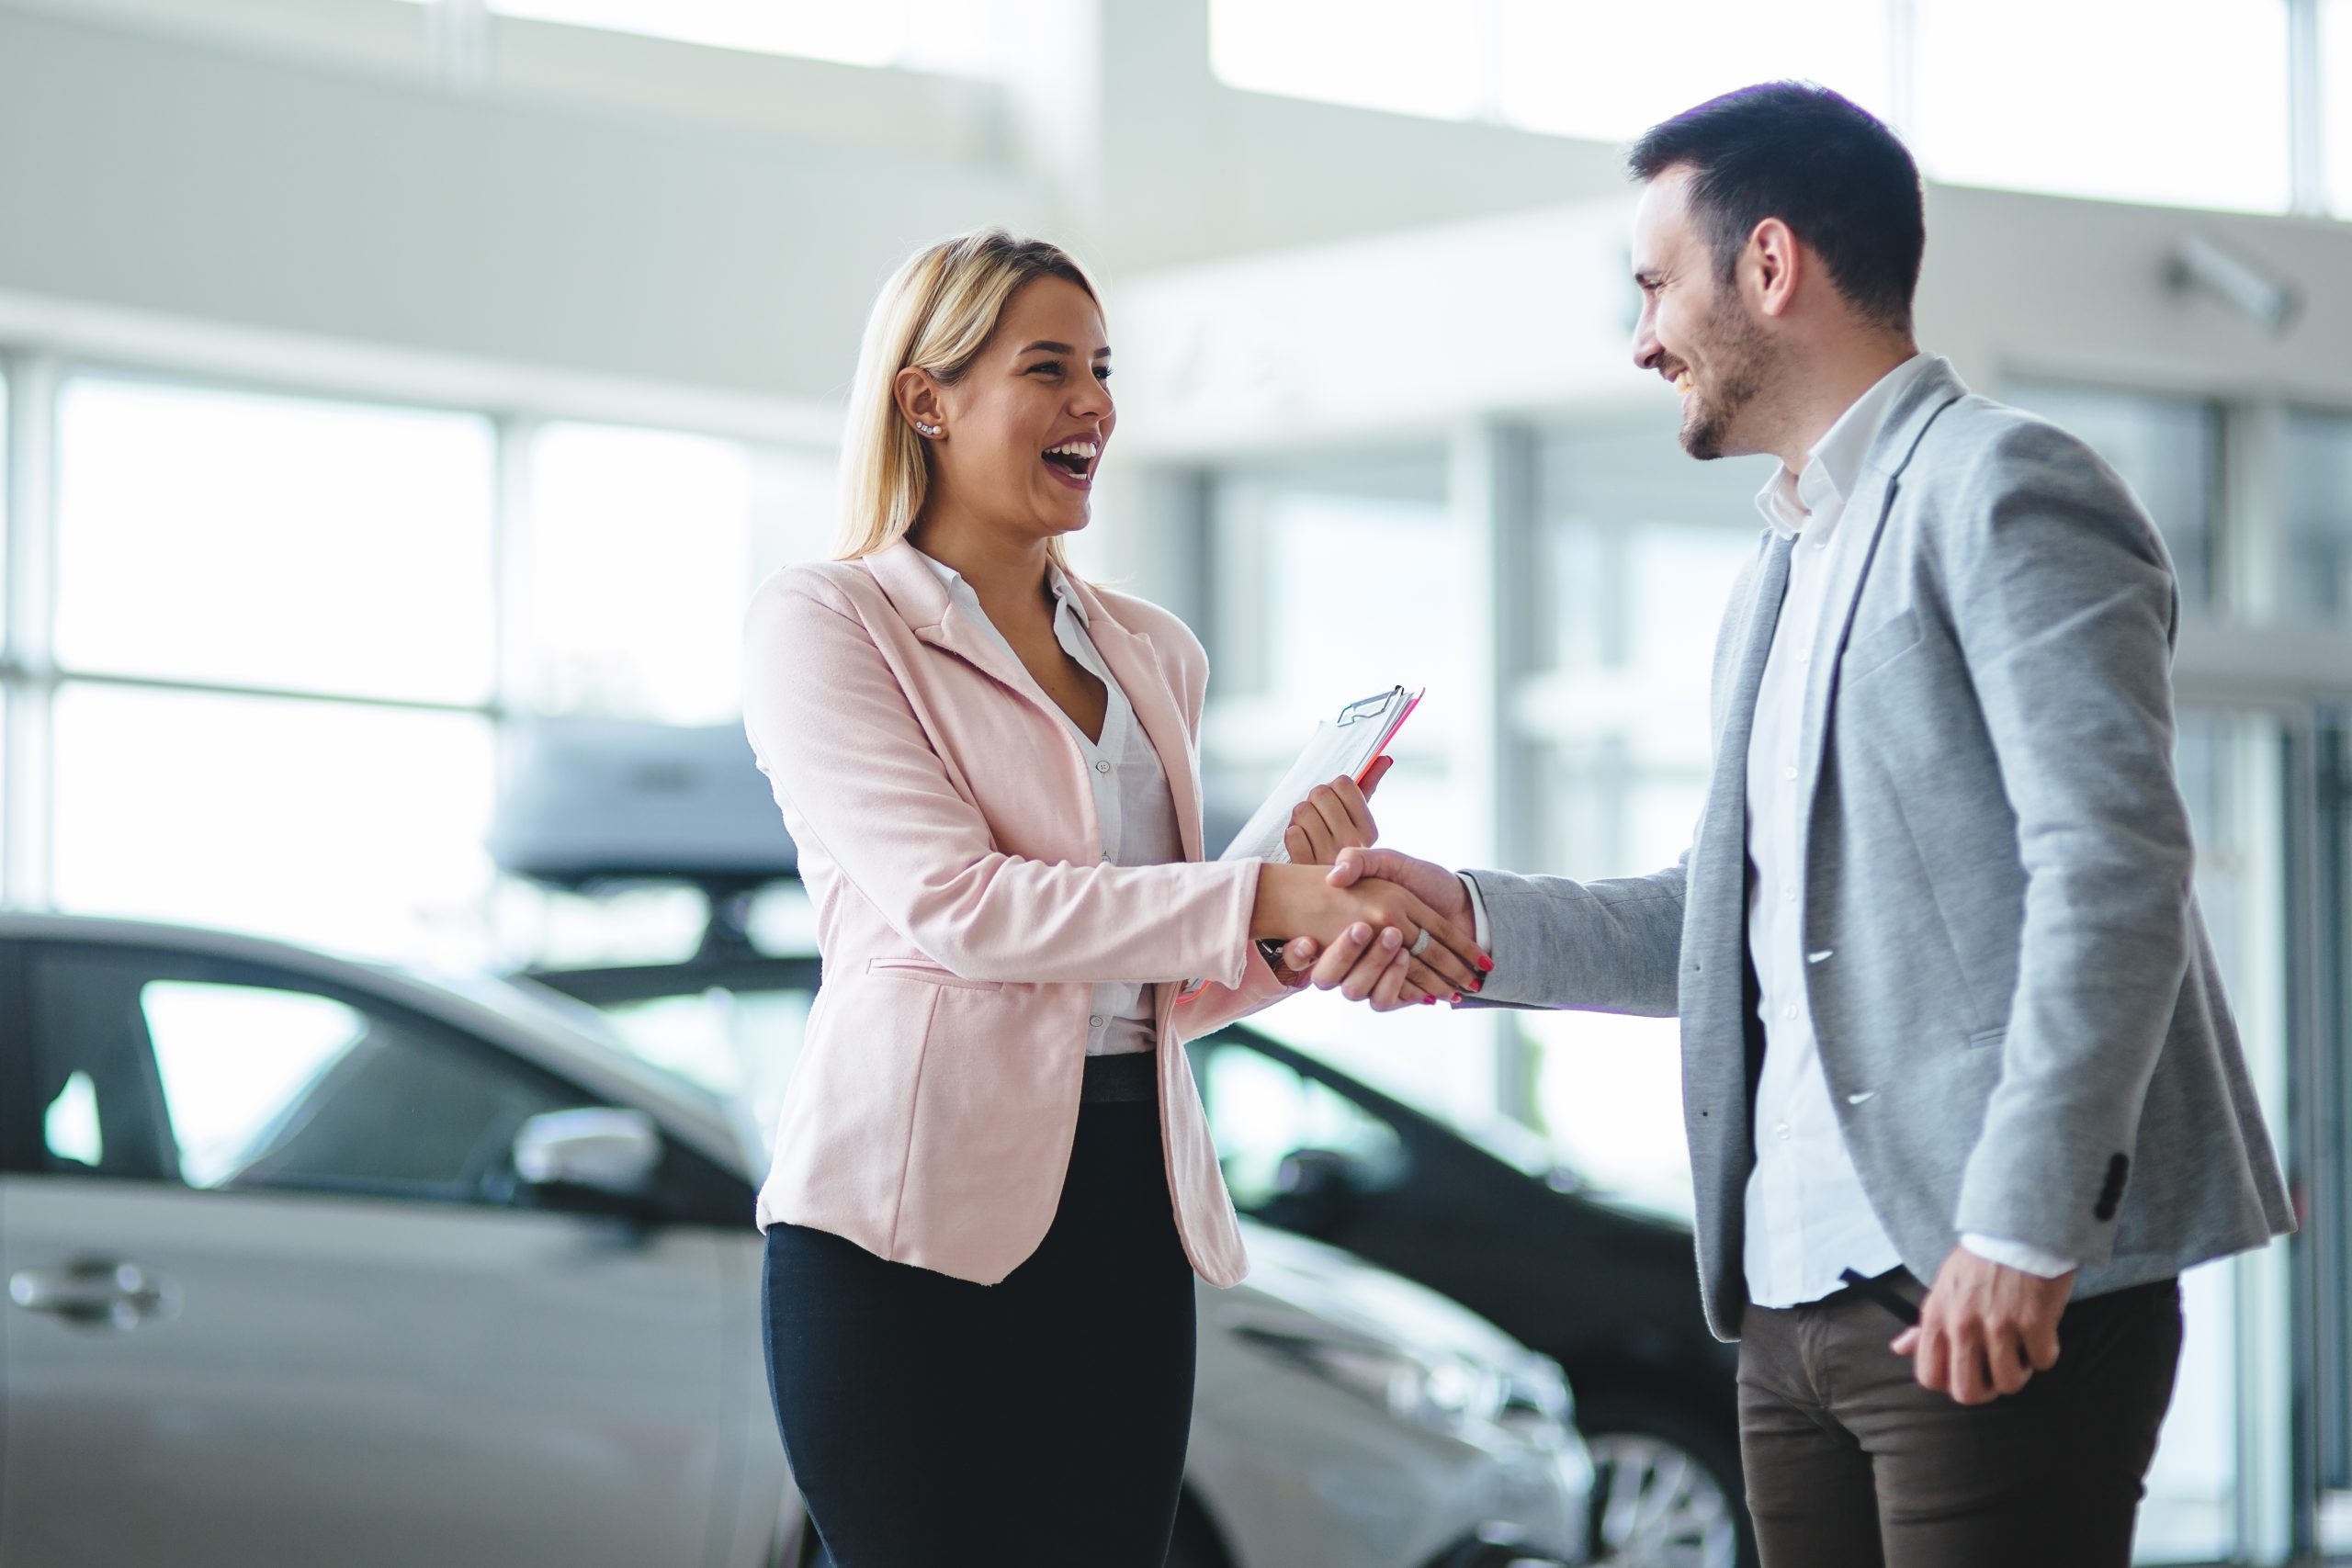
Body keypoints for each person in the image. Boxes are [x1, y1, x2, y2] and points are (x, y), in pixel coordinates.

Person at [1313, 85, 2294, 1566]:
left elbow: (2113, 866)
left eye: (1656, 286)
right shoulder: (1777, 570)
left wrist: (2026, 1231)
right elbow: (1726, 915)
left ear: (1768, 267)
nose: (1643, 338)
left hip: (1980, 1289)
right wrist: (1468, 914)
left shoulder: (2006, 488)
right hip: (1788, 1312)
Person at [738, 227, 1488, 1568]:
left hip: (1128, 1211)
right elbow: (961, 906)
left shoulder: (1154, 652)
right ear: (927, 399)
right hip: (903, 1233)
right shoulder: (829, 621)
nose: (1096, 403)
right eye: (1049, 368)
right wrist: (1254, 890)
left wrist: (1291, 926)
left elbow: (1164, 992)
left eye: (1101, 368)